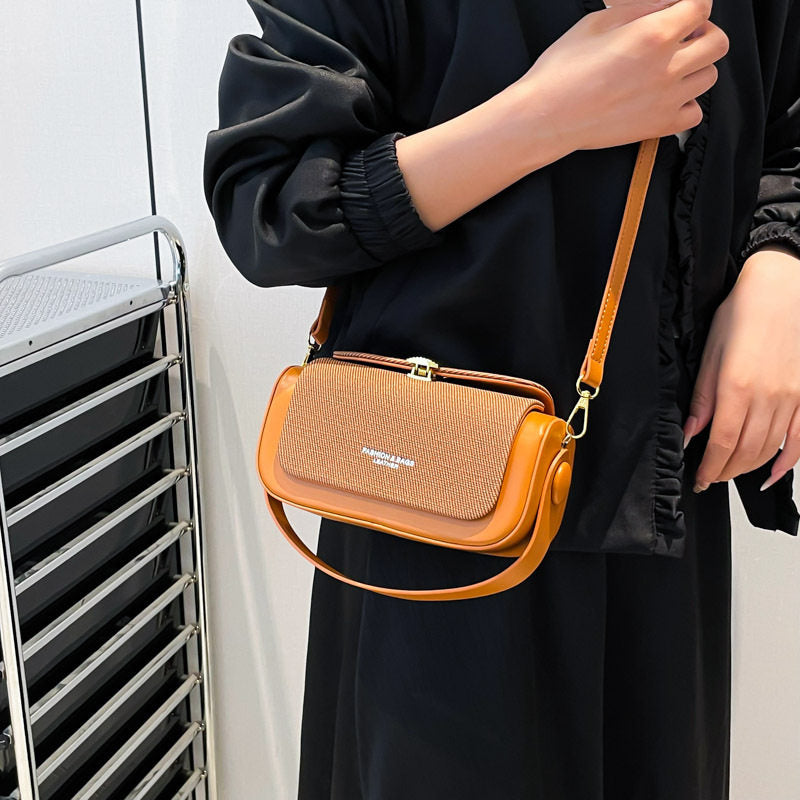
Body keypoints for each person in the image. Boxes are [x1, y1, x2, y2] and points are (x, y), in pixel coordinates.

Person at [203, 0, 800, 797]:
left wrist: (781, 269)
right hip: (431, 501)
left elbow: (786, 121)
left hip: (658, 492)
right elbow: (272, 205)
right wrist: (547, 114)